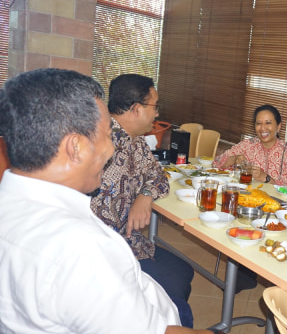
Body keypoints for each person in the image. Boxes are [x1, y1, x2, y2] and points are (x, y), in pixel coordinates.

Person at [0, 68, 212, 333]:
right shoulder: (83, 250)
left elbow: (157, 176)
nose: (112, 147)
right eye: (107, 136)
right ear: (74, 147)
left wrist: (144, 196)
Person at [90, 74, 195, 327]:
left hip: (131, 242)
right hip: (107, 253)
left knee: (184, 271)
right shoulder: (104, 143)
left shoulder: (134, 140)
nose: (157, 114)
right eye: (154, 106)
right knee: (176, 289)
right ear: (136, 109)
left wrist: (144, 196)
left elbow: (158, 176)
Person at [214, 104, 287, 187]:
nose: (263, 128)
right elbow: (215, 163)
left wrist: (266, 178)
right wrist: (234, 159)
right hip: (246, 195)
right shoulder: (247, 145)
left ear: (278, 126)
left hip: (273, 200)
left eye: (268, 123)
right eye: (259, 123)